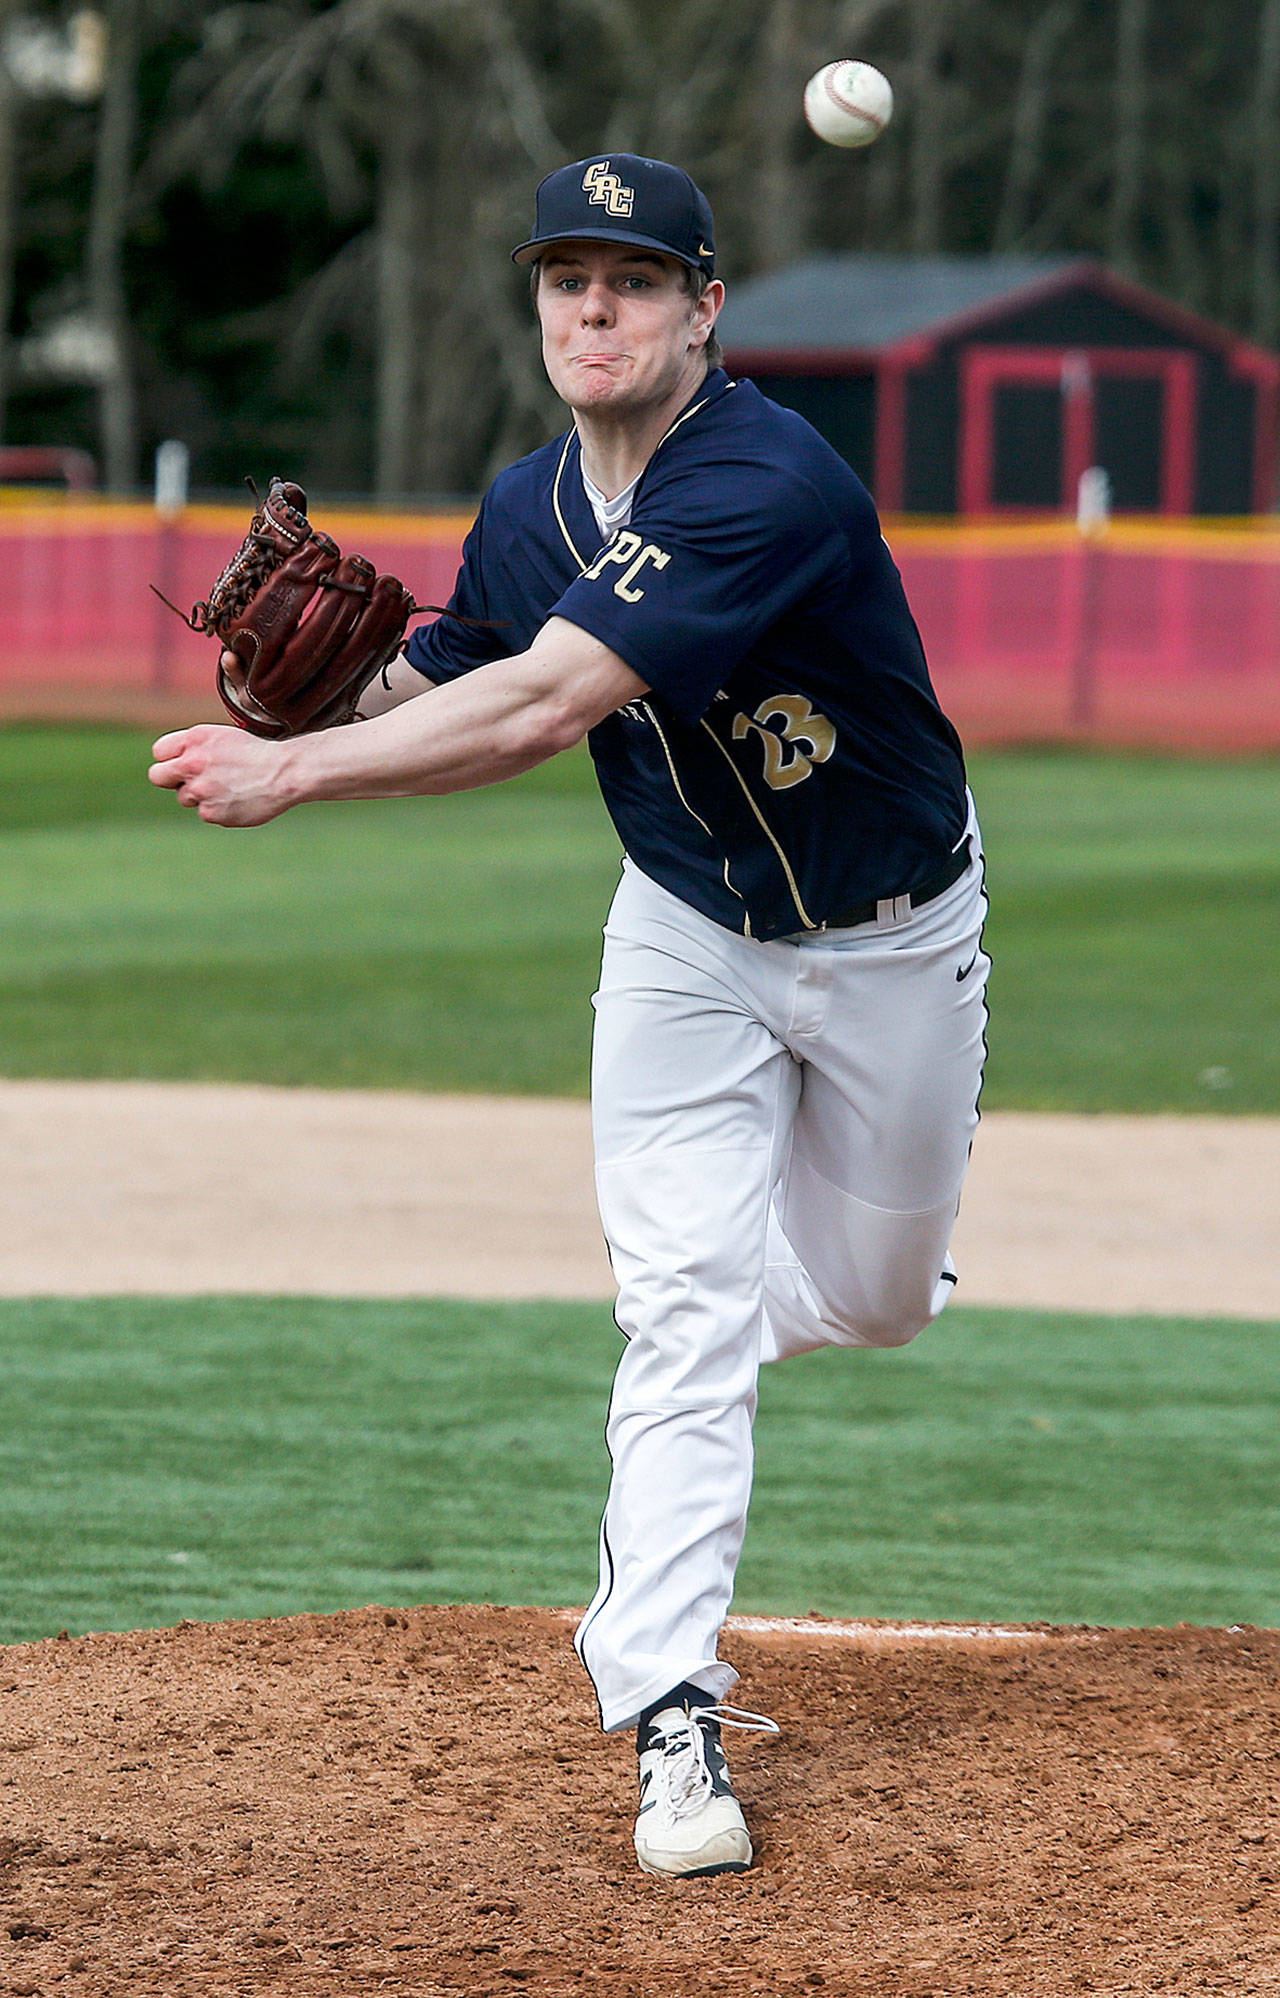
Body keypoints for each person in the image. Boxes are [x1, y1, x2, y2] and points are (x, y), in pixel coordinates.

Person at [149, 153, 990, 1882]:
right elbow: (458, 667)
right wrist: (312, 682)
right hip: (686, 932)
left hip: (896, 935)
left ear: (705, 307)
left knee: (881, 1301)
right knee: (682, 1305)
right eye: (565, 280)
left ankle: (708, 1332)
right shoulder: (532, 505)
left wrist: (294, 766)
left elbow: (543, 705)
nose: (593, 309)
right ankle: (668, 1708)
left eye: (631, 280)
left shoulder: (766, 475)